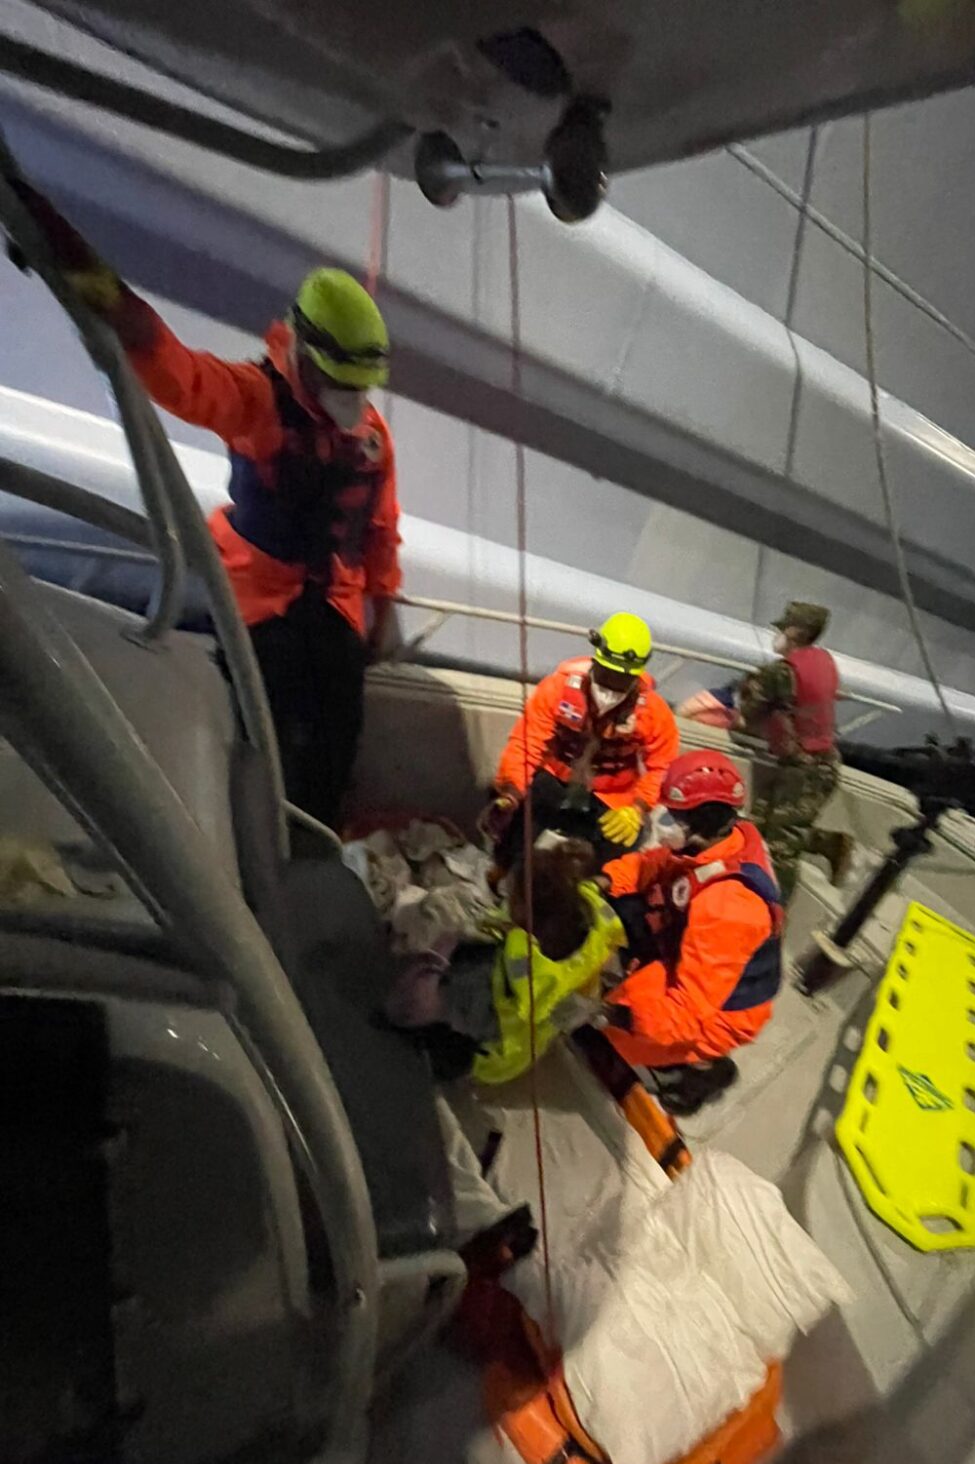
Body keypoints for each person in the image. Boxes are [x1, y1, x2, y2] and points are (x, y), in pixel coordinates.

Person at [13, 183, 400, 830]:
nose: (351, 400)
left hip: (332, 598)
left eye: (360, 388)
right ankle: (254, 834)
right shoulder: (256, 399)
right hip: (259, 595)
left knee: (339, 722)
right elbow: (179, 374)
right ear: (305, 352)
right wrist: (101, 290)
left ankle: (320, 833)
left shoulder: (370, 437)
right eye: (341, 383)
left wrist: (383, 605)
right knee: (259, 724)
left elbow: (380, 523)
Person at [598, 749, 784, 1114]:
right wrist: (605, 880)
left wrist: (615, 1016)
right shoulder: (723, 841)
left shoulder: (729, 907)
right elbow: (654, 865)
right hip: (696, 951)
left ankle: (699, 1070)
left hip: (726, 1011)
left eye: (674, 816)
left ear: (703, 821)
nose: (663, 820)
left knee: (613, 1038)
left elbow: (687, 1013)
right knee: (626, 907)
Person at [392, 838, 627, 1084]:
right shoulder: (583, 917)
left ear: (524, 911)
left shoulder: (510, 976)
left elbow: (419, 1008)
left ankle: (445, 1061)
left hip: (487, 1049)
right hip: (518, 1038)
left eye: (510, 894)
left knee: (428, 1031)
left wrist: (431, 975)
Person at [677, 601, 850, 898]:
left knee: (781, 849)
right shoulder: (823, 661)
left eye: (783, 629)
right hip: (818, 763)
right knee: (756, 827)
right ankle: (828, 844)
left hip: (802, 771)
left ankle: (771, 908)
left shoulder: (780, 673)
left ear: (794, 632)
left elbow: (747, 712)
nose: (778, 635)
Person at [480, 613, 680, 866]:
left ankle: (589, 883)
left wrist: (638, 808)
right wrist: (511, 792)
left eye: (622, 680)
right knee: (516, 808)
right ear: (596, 660)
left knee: (627, 838)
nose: (612, 685)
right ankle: (506, 869)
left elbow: (662, 766)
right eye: (607, 673)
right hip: (554, 780)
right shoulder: (557, 688)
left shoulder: (653, 712)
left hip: (610, 795)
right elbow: (526, 742)